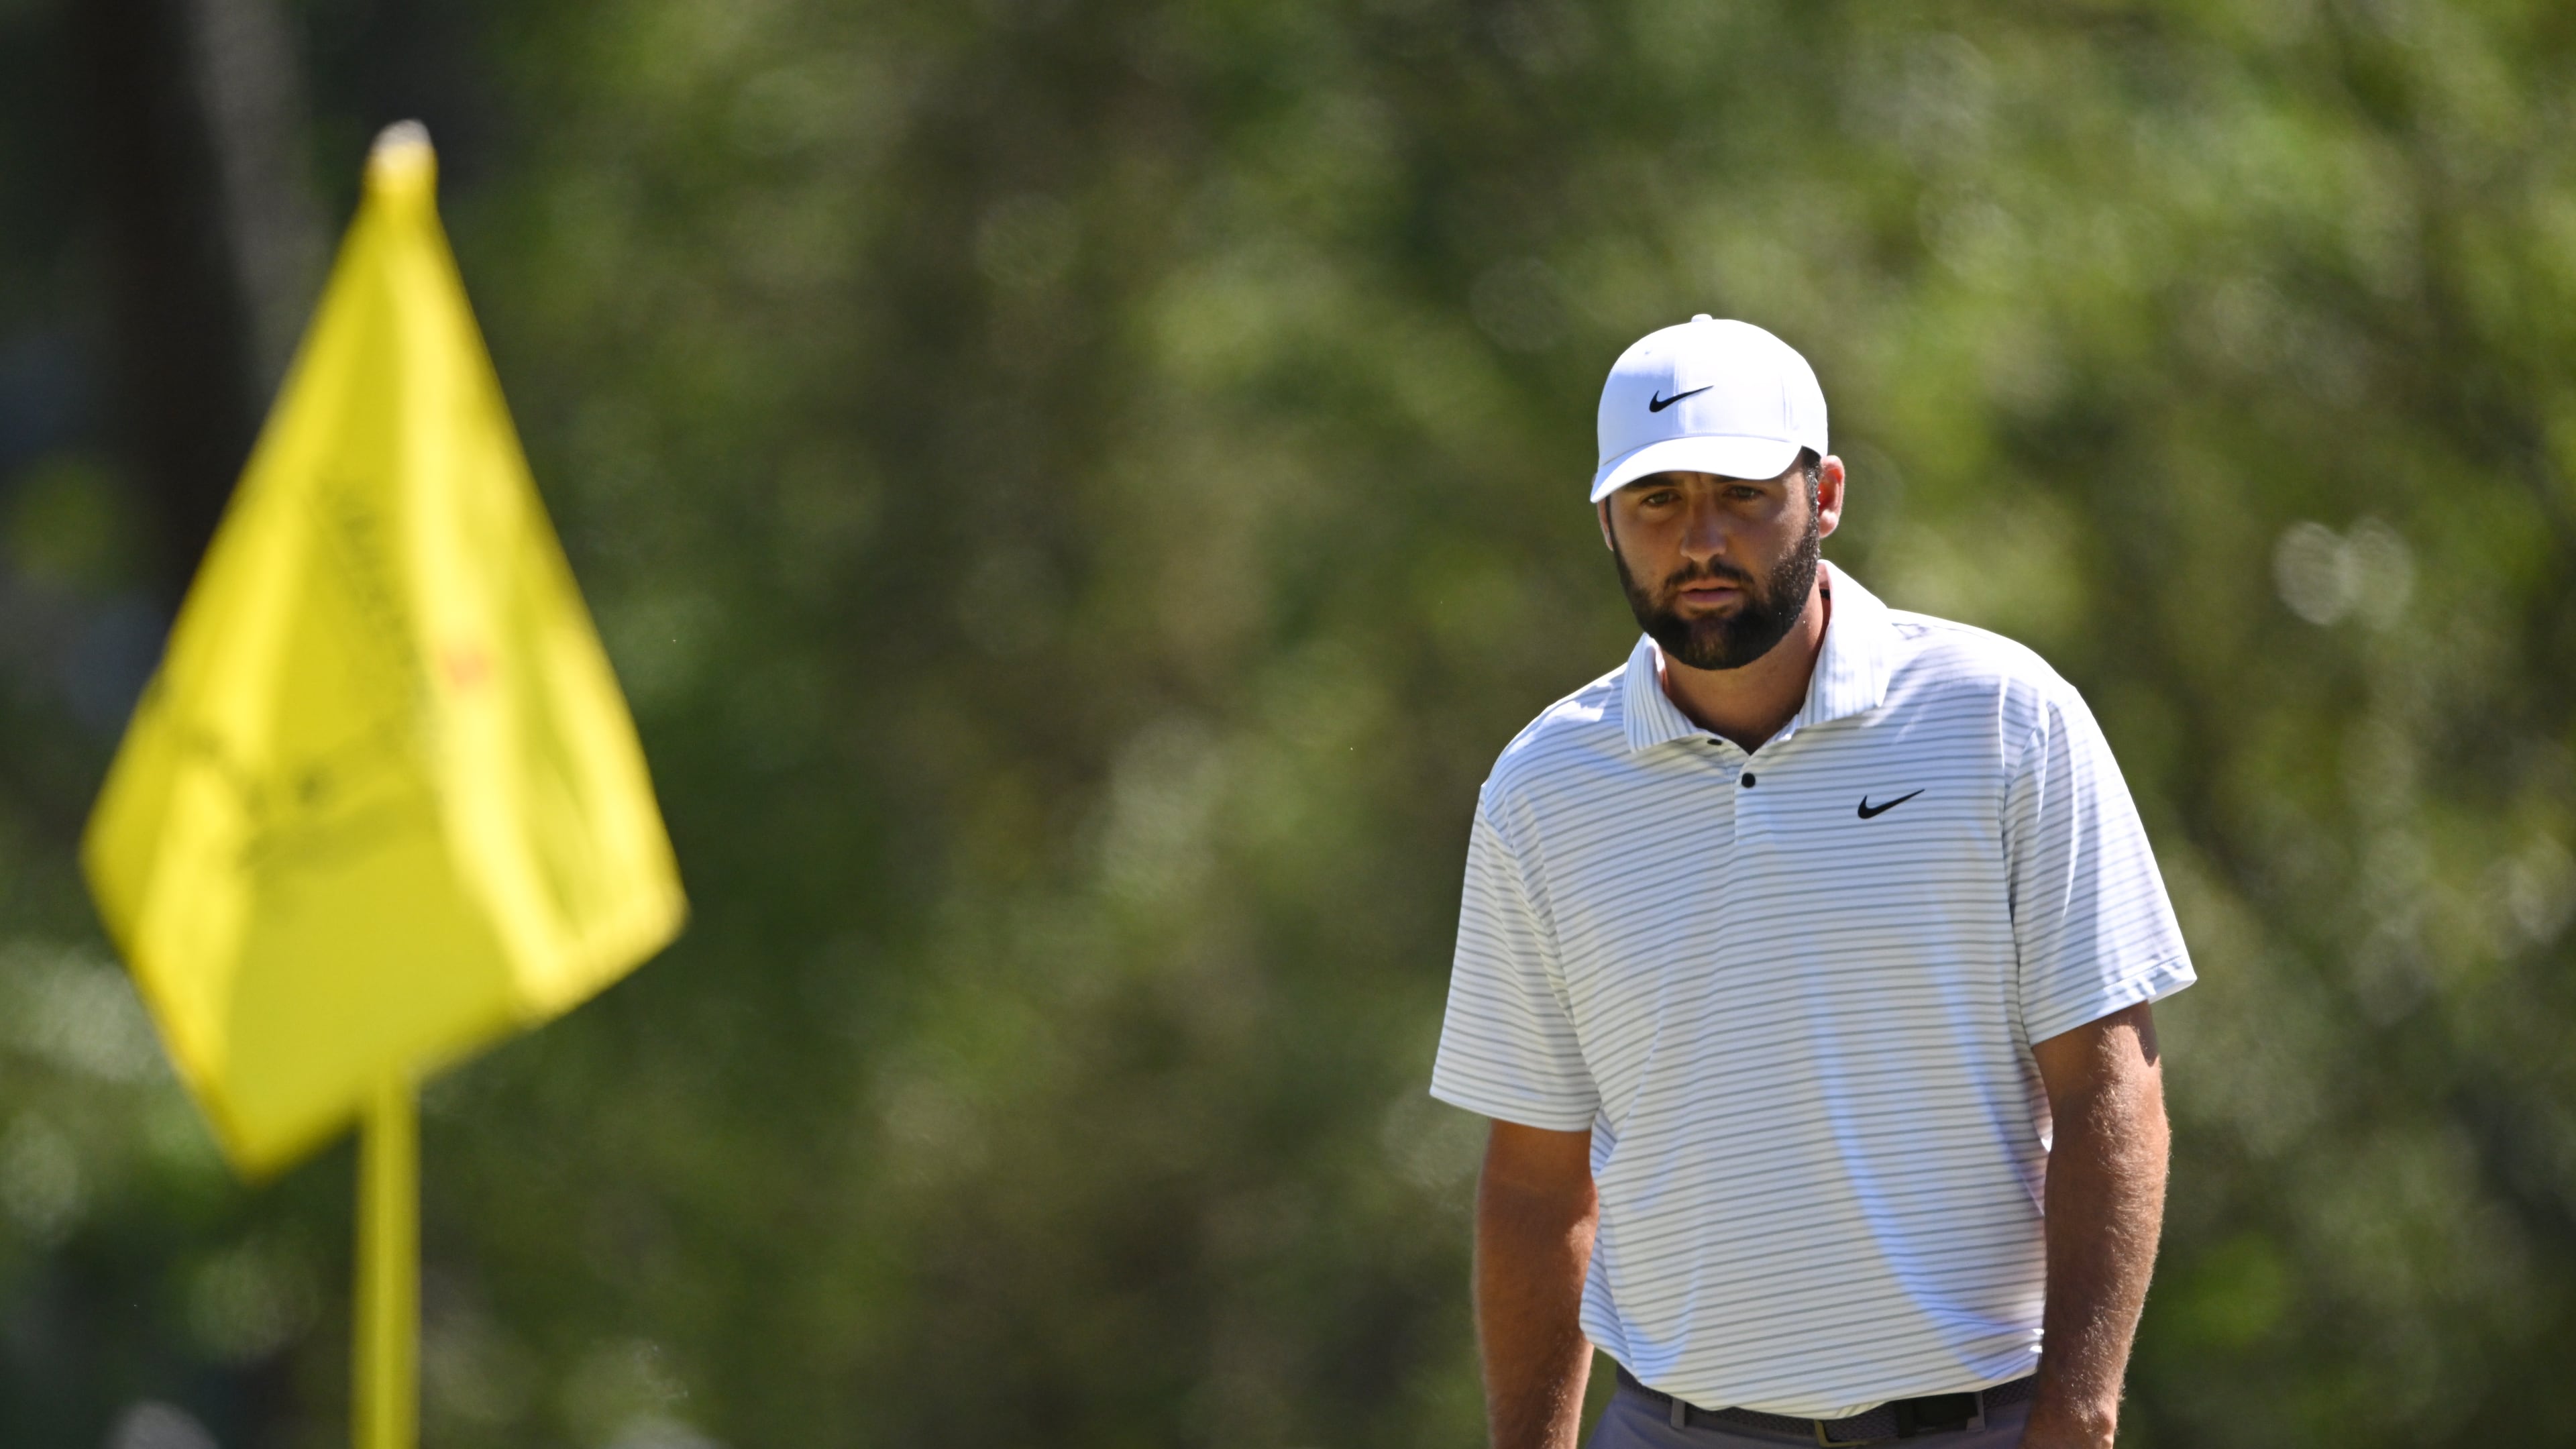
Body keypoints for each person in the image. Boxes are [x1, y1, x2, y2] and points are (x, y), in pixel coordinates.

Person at [1429, 316, 2192, 1449]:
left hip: (1983, 1423)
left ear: (1824, 494)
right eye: (1658, 502)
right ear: (1605, 521)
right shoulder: (1544, 791)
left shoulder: (2002, 719)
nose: (1700, 541)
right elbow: (1539, 1180)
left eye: (1741, 493)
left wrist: (2079, 1420)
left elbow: (2108, 1088)